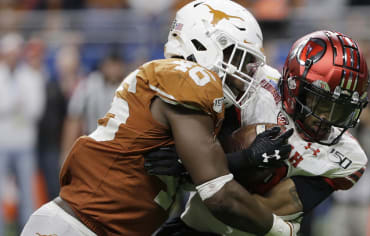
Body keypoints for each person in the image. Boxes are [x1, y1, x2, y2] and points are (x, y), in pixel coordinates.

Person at [21, 1, 299, 235]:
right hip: (78, 227)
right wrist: (280, 229)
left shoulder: (181, 87)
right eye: (238, 58)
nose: (245, 74)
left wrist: (244, 158)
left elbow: (187, 170)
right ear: (206, 44)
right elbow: (218, 193)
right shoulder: (187, 78)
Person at [146, 30, 370, 235]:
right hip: (195, 228)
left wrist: (200, 166)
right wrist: (240, 158)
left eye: (341, 111)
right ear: (295, 85)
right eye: (321, 104)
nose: (327, 119)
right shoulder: (251, 83)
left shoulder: (346, 157)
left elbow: (261, 212)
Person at [0, 33, 46, 234]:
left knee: (28, 194)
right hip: (2, 142)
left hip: (25, 143)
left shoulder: (31, 76)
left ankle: (28, 232)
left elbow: (36, 110)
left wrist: (13, 106)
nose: (12, 56)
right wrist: (15, 104)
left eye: (15, 52)